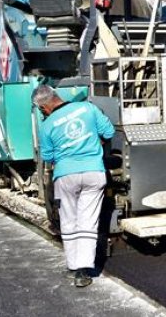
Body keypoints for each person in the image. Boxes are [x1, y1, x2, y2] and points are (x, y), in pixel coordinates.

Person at [32, 84, 115, 288]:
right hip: (94, 172)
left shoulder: (47, 125)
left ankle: (72, 265)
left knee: (69, 220)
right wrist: (96, 142)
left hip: (65, 175)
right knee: (88, 220)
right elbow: (109, 131)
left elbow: (48, 156)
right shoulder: (88, 108)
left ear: (44, 108)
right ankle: (83, 271)